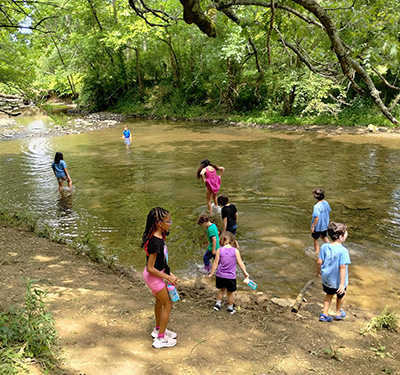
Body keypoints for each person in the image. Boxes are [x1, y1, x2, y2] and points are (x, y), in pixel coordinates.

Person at [141, 207, 178, 349]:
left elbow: (160, 261)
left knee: (159, 301)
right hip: (153, 276)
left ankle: (158, 329)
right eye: (168, 220)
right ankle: (160, 339)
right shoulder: (155, 242)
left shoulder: (158, 237)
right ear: (159, 223)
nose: (170, 222)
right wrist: (167, 276)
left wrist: (169, 274)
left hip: (155, 274)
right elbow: (151, 267)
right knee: (168, 304)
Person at [316, 222, 351, 322]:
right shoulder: (343, 251)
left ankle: (324, 314)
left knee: (328, 295)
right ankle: (338, 312)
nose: (347, 234)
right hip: (338, 281)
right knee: (341, 295)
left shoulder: (324, 247)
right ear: (340, 236)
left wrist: (317, 272)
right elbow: (342, 268)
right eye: (346, 233)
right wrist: (341, 284)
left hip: (326, 279)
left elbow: (319, 262)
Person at [208, 231, 249, 314]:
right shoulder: (235, 251)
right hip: (230, 277)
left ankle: (217, 304)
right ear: (232, 241)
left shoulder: (219, 250)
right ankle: (230, 308)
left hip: (220, 275)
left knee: (221, 290)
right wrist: (245, 273)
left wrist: (211, 273)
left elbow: (215, 263)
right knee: (230, 293)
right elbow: (240, 263)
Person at [311, 188, 331, 253]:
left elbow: (317, 217)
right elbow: (329, 211)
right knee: (324, 236)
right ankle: (331, 247)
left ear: (315, 197)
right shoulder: (326, 203)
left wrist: (313, 226)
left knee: (315, 239)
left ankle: (316, 252)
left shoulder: (316, 206)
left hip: (318, 226)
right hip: (325, 225)